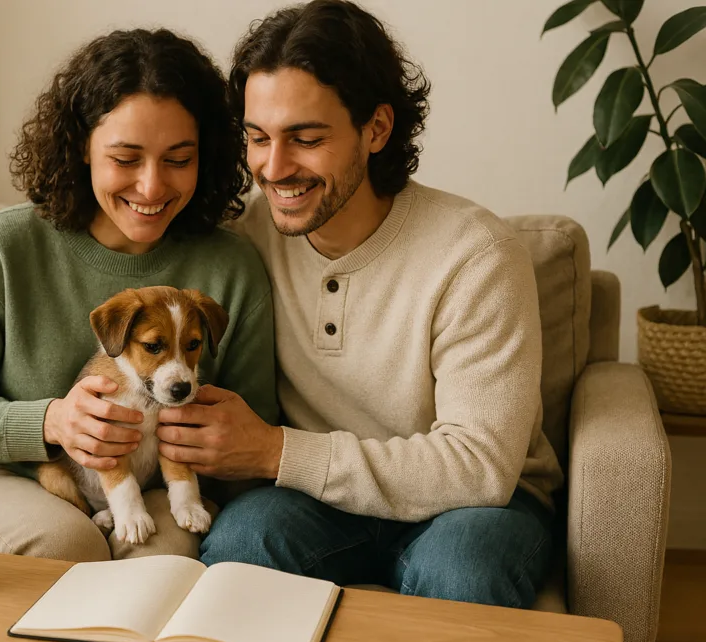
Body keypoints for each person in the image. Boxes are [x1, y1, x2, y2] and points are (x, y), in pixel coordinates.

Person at [156, 0, 564, 609]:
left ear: (376, 128)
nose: (273, 168)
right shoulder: (245, 239)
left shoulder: (477, 255)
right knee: (242, 543)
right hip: (314, 501)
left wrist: (274, 450)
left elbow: (479, 466)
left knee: (460, 569)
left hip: (475, 507)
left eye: (306, 139)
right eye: (258, 138)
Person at [0, 28, 279, 563]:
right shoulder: (3, 247)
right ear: (82, 148)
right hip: (20, 475)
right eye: (126, 158)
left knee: (162, 558)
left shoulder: (230, 266)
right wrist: (52, 422)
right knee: (63, 544)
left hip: (156, 481)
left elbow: (253, 429)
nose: (152, 187)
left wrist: (217, 446)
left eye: (179, 158)